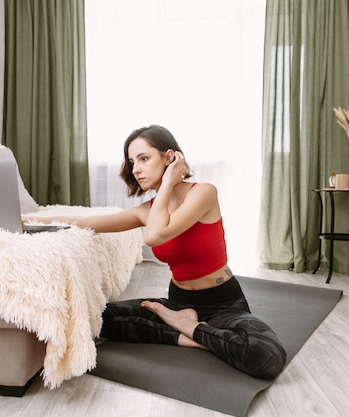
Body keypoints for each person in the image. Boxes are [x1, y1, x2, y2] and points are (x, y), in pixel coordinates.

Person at [25, 125, 287, 379]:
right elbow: (87, 221)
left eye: (144, 158)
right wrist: (31, 218)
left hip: (224, 302)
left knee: (266, 357)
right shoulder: (146, 210)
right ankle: (188, 334)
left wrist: (168, 184)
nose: (136, 169)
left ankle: (188, 327)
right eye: (132, 162)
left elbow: (155, 235)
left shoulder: (203, 193)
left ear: (169, 158)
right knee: (92, 318)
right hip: (178, 302)